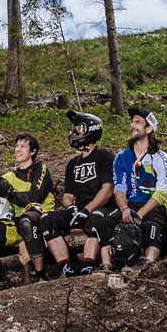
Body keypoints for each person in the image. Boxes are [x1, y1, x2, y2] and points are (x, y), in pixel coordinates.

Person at [0, 134, 56, 292]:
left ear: (33, 151)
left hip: (40, 218)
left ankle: (40, 276)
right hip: (14, 225)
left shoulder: (41, 169)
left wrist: (10, 195)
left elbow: (35, 196)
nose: (18, 149)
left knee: (25, 222)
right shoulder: (11, 175)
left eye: (23, 146)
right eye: (16, 146)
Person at [37, 110, 118, 277]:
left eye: (78, 129)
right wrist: (71, 208)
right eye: (73, 129)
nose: (73, 133)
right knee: (46, 220)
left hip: (99, 209)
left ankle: (87, 266)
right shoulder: (72, 164)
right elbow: (67, 195)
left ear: (91, 130)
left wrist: (86, 211)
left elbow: (108, 190)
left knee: (97, 216)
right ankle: (67, 268)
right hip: (78, 211)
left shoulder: (105, 156)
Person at [111, 107, 167, 275]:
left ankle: (147, 264)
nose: (132, 125)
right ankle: (107, 266)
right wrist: (124, 209)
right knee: (105, 224)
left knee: (150, 226)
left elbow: (162, 192)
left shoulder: (161, 158)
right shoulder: (122, 157)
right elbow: (119, 187)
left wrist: (140, 214)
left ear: (149, 128)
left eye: (137, 122)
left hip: (153, 204)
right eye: (132, 121)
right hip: (130, 202)